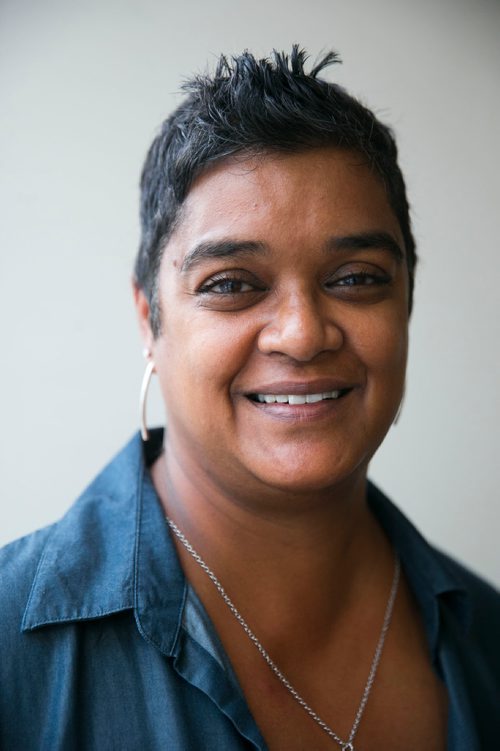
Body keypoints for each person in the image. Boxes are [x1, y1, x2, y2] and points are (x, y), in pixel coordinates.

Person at [1, 46, 499, 751]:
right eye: (232, 282)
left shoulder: (488, 637)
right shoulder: (9, 647)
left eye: (356, 278)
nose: (302, 334)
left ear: (407, 302)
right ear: (149, 319)